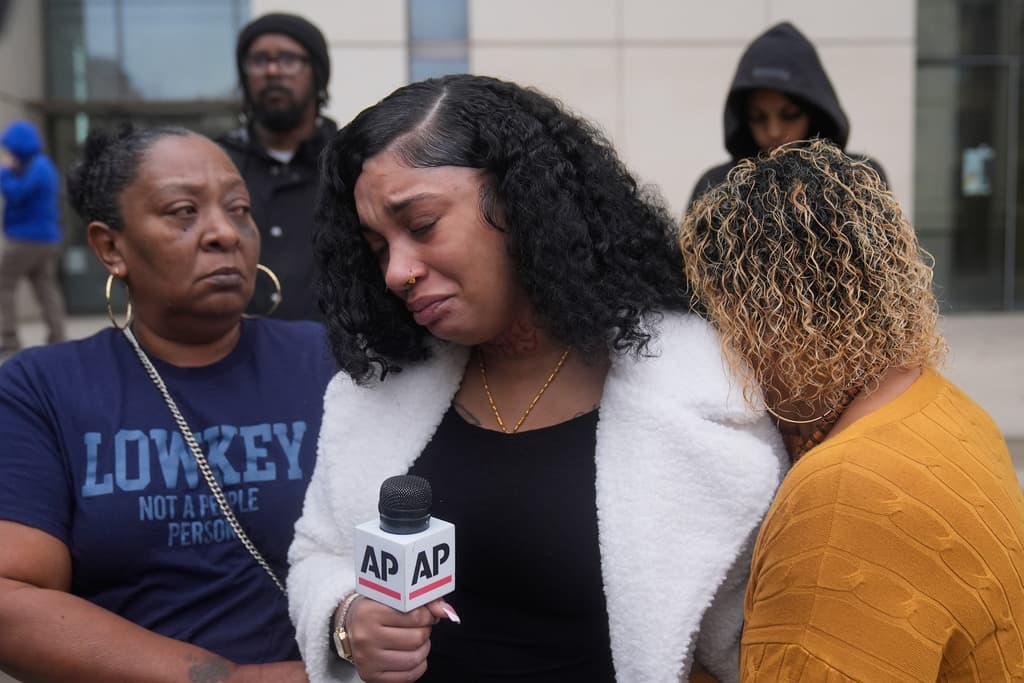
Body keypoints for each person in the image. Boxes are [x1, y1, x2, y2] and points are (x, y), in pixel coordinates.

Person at [286, 73, 788, 683]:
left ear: (522, 200)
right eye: (377, 249)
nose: (397, 272)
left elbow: (754, 637)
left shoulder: (707, 386)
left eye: (420, 225)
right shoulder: (374, 392)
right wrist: (346, 619)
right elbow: (317, 555)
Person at [0, 125, 336, 682]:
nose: (224, 233)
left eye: (239, 210)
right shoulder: (41, 389)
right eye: (184, 211)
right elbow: (12, 599)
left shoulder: (325, 362)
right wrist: (233, 679)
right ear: (111, 248)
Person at [680, 139, 1024, 681]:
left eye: (725, 326)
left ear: (777, 322)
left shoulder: (840, 493)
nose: (724, 355)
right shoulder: (943, 402)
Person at [687, 21, 887, 206]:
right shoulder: (718, 188)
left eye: (790, 115)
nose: (773, 131)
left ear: (815, 113)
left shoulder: (858, 181)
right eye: (758, 117)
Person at [218, 12, 337, 320]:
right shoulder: (216, 164)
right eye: (259, 60)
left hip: (333, 347)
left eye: (288, 59)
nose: (272, 71)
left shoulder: (347, 162)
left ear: (317, 73)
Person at [0, 119, 66, 355]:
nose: (8, 153)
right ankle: (57, 337)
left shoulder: (38, 167)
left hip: (27, 239)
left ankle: (10, 339)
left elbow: (17, 194)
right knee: (46, 288)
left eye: (10, 148)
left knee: (3, 285)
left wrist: (4, 173)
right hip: (45, 239)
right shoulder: (40, 165)